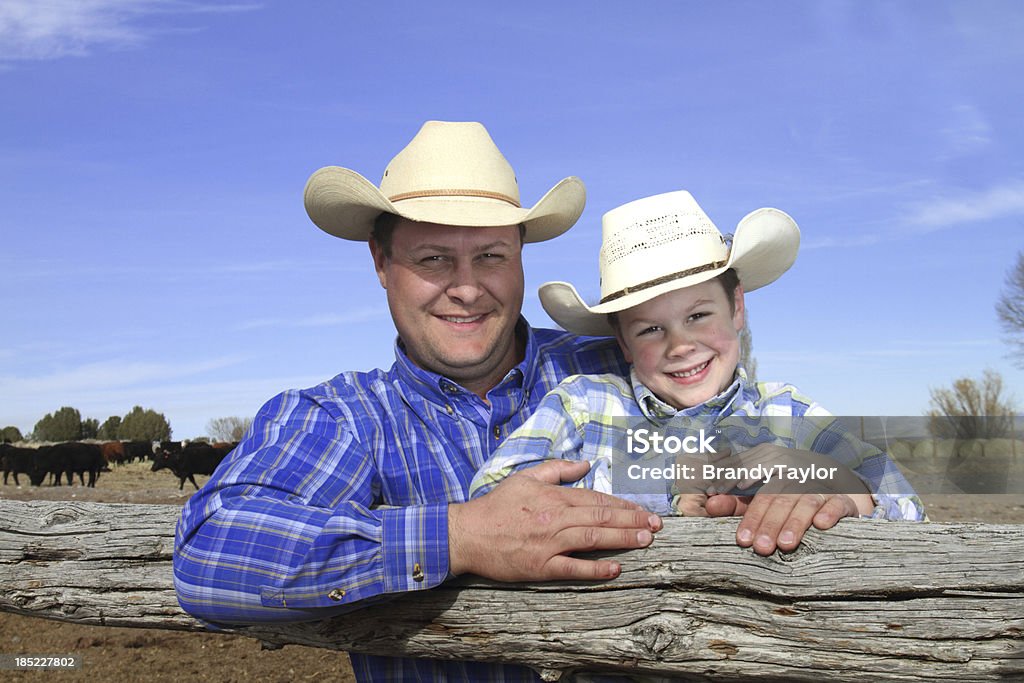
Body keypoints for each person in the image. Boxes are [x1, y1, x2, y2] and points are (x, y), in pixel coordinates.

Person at [172, 121, 663, 681]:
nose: (468, 288)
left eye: (491, 256)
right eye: (433, 259)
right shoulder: (345, 416)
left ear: (522, 256)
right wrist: (464, 535)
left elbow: (753, 438)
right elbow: (211, 551)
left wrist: (783, 484)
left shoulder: (619, 365)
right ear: (380, 264)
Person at [470, 190, 926, 556]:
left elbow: (907, 505)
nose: (681, 345)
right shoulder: (584, 404)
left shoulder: (784, 409)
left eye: (698, 315)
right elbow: (493, 498)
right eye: (650, 329)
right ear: (623, 343)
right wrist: (659, 485)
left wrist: (834, 483)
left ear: (737, 307)